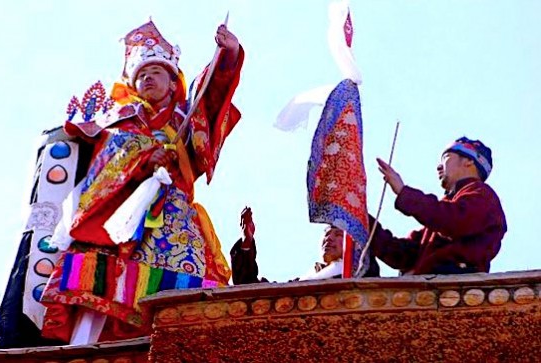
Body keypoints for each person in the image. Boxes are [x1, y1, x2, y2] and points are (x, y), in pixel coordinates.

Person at [39, 19, 244, 343]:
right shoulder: (121, 119)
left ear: (173, 81)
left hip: (173, 210)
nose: (149, 78)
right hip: (118, 212)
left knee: (190, 275)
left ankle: (184, 344)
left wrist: (228, 58)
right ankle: (85, 346)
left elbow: (213, 101)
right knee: (97, 273)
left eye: (156, 72)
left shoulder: (185, 119)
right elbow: (107, 159)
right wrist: (144, 158)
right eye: (142, 75)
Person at [370, 137, 507, 275]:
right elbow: (403, 254)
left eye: (446, 157)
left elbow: (453, 221)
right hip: (427, 289)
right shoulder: (442, 216)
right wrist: (363, 223)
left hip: (452, 288)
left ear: (469, 161)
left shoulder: (483, 195)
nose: (439, 167)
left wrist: (403, 192)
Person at [230, 208, 379, 285]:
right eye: (326, 234)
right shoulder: (304, 282)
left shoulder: (362, 271)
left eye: (338, 234)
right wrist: (247, 241)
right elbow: (249, 286)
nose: (329, 239)